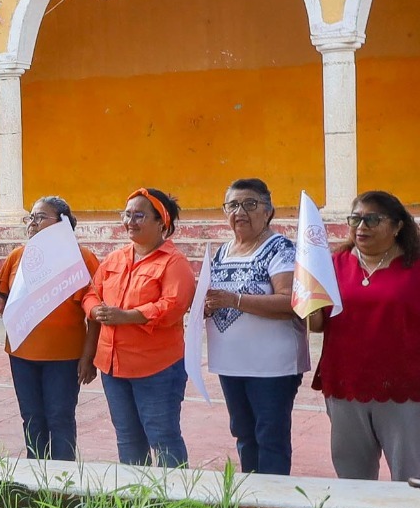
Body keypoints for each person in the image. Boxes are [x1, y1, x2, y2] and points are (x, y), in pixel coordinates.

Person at [81, 188, 197, 468]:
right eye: (127, 214)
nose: (130, 221)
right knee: (128, 438)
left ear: (162, 223)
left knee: (163, 437)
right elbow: (91, 292)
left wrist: (128, 316)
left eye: (139, 215)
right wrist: (95, 309)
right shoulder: (115, 258)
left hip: (156, 368)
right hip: (113, 367)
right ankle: (136, 501)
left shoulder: (174, 262)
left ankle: (173, 502)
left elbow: (173, 305)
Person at [309, 191, 420, 482]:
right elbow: (318, 323)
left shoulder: (415, 267)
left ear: (397, 226)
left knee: (410, 476)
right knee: (351, 477)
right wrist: (308, 306)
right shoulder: (333, 264)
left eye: (372, 219)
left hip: (405, 387)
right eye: (355, 219)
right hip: (345, 383)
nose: (361, 227)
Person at [202, 179, 308, 475]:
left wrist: (234, 299)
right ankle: (251, 505)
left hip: (272, 366)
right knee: (244, 436)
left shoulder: (280, 249)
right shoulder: (221, 252)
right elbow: (212, 299)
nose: (240, 212)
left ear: (268, 211)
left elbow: (291, 303)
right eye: (233, 205)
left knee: (270, 438)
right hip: (231, 364)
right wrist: (206, 306)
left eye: (250, 204)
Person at [0, 196, 100, 461]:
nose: (32, 223)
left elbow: (94, 314)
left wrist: (89, 356)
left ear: (62, 223)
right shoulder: (18, 256)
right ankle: (34, 479)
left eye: (39, 217)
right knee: (31, 418)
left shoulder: (82, 258)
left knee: (60, 417)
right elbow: (3, 294)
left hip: (65, 357)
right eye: (30, 218)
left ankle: (63, 486)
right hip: (21, 354)